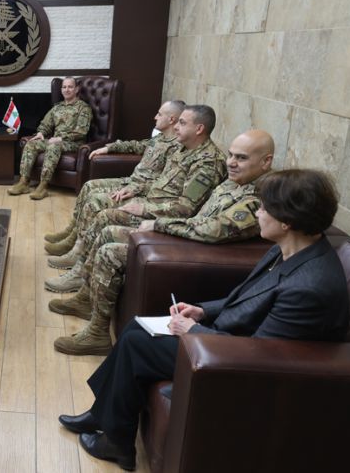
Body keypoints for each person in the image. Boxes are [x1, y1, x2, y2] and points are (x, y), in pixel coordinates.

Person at [58, 169, 349, 471]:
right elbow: (245, 297)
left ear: (286, 221)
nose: (257, 214)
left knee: (136, 343)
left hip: (236, 363)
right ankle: (102, 414)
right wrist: (202, 311)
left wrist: (194, 331)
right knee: (137, 326)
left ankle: (117, 443)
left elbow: (261, 355)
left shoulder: (310, 288)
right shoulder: (289, 249)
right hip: (228, 337)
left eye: (264, 208)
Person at [52, 130, 275, 355]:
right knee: (108, 231)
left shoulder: (261, 197)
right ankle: (86, 297)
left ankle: (97, 334)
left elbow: (213, 229)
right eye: (231, 155)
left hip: (195, 253)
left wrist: (159, 224)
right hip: (186, 236)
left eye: (241, 158)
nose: (231, 163)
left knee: (110, 252)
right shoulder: (235, 182)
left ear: (266, 161)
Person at [45, 105, 226, 293]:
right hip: (149, 200)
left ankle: (81, 274)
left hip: (163, 217)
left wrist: (144, 208)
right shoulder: (184, 149)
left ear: (199, 129)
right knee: (93, 194)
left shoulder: (207, 163)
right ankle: (78, 256)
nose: (176, 127)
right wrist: (138, 190)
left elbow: (186, 208)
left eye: (182, 122)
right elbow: (160, 182)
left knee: (103, 215)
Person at [45, 100, 186, 264]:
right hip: (130, 182)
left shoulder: (177, 148)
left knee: (95, 200)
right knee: (88, 186)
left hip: (140, 190)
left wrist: (136, 189)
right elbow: (136, 145)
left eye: (160, 114)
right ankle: (73, 233)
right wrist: (109, 148)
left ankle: (79, 250)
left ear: (171, 119)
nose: (155, 117)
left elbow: (165, 182)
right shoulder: (160, 138)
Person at [7, 77, 92, 200]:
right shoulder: (57, 107)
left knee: (53, 146)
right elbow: (46, 123)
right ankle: (24, 182)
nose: (67, 90)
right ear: (61, 90)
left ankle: (43, 186)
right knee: (31, 144)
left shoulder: (83, 108)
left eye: (70, 87)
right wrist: (41, 133)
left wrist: (60, 138)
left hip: (74, 143)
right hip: (56, 141)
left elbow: (81, 132)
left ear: (76, 89)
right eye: (64, 87)